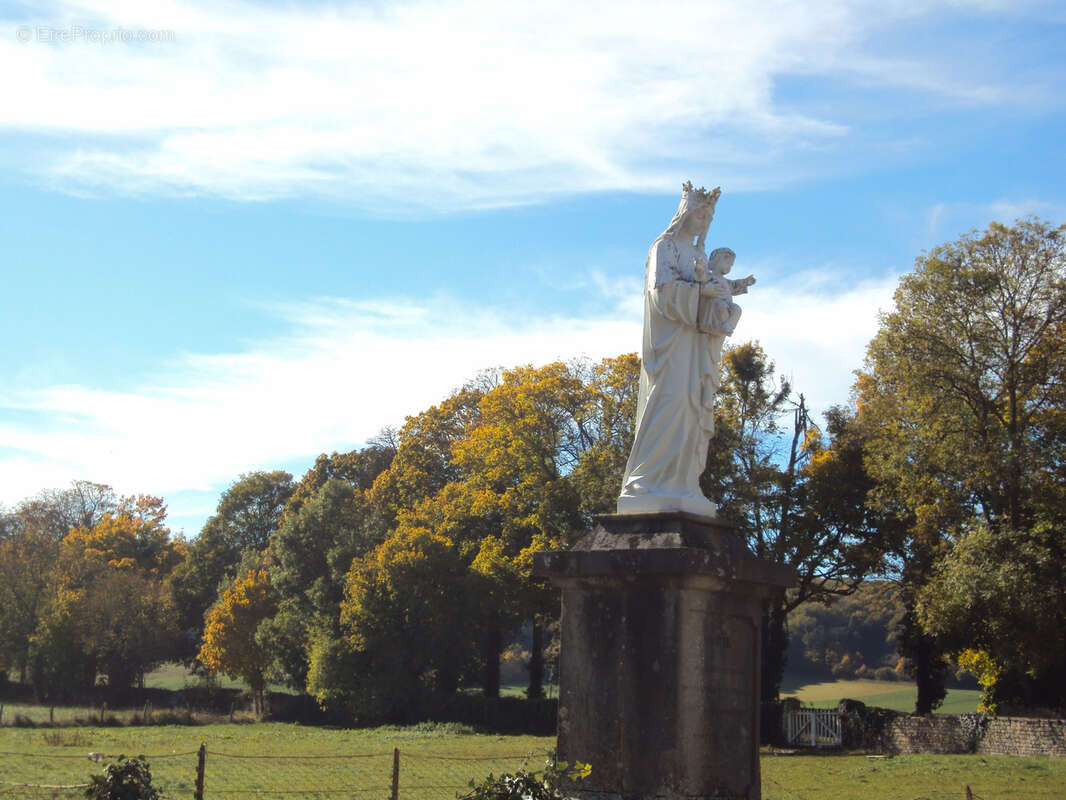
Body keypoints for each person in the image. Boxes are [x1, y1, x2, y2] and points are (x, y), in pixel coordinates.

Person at [617, 183, 754, 517]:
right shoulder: (664, 247)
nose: (703, 221)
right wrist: (701, 293)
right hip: (672, 342)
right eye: (699, 213)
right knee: (670, 401)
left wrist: (725, 292)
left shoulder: (697, 255)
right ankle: (648, 482)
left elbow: (710, 288)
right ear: (685, 214)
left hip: (696, 343)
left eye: (708, 216)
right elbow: (661, 293)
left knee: (693, 408)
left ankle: (683, 484)